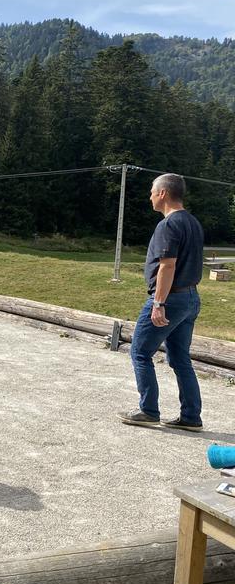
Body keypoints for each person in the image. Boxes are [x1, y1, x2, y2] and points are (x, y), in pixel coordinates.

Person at [118, 174, 204, 432]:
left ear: (163, 193)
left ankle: (148, 410)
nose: (150, 197)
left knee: (140, 352)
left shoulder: (168, 224)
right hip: (190, 297)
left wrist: (158, 303)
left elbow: (168, 265)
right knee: (180, 358)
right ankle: (191, 417)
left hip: (170, 298)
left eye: (152, 191)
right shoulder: (193, 222)